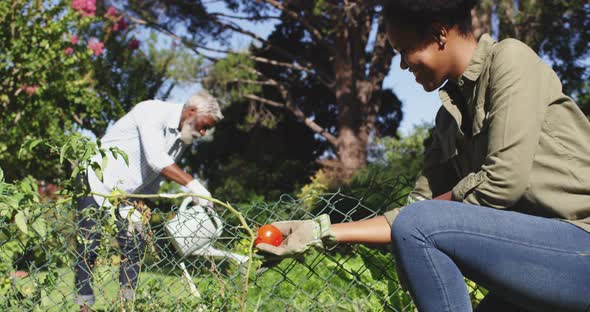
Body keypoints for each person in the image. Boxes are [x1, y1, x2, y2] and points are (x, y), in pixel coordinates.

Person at [256, 1, 590, 311]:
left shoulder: (510, 59)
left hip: (580, 243)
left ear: (437, 34)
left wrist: (421, 216)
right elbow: (415, 212)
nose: (402, 65)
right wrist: (320, 231)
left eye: (403, 51)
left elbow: (501, 184)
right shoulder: (447, 119)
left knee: (418, 225)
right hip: (541, 254)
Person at [74, 91, 223, 311]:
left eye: (207, 129)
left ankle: (127, 305)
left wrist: (145, 205)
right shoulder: (152, 111)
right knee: (89, 247)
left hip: (130, 195)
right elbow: (156, 160)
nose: (202, 132)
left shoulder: (183, 138)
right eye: (203, 125)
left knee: (134, 247)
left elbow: (157, 176)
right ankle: (84, 307)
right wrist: (193, 185)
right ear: (191, 112)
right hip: (97, 180)